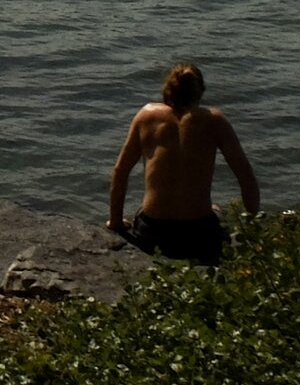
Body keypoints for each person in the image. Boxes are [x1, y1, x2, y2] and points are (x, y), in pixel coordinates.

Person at [106, 61, 260, 264]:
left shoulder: (146, 115)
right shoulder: (214, 120)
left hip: (153, 233)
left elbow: (121, 171)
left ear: (167, 91)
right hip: (198, 235)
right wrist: (252, 228)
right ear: (200, 92)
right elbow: (245, 177)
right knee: (216, 210)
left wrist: (116, 222)